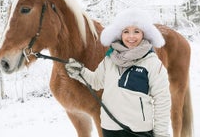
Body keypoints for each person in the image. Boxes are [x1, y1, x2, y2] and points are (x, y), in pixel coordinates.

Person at [65, 8, 171, 137]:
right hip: (109, 129)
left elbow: (162, 101)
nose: (131, 36)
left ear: (144, 34)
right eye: (126, 31)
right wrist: (80, 71)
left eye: (136, 31)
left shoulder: (152, 63)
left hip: (138, 132)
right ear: (120, 34)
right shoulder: (110, 59)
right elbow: (96, 81)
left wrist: (161, 134)